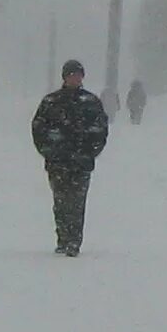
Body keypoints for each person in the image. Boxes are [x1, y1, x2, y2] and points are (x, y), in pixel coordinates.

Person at [31, 59, 111, 256]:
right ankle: (63, 238)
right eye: (71, 75)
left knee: (77, 202)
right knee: (60, 201)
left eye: (77, 75)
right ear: (64, 77)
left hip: (81, 164)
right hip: (58, 163)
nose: (74, 78)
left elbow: (100, 131)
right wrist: (49, 151)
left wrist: (90, 152)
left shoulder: (91, 103)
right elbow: (39, 129)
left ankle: (74, 241)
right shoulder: (51, 102)